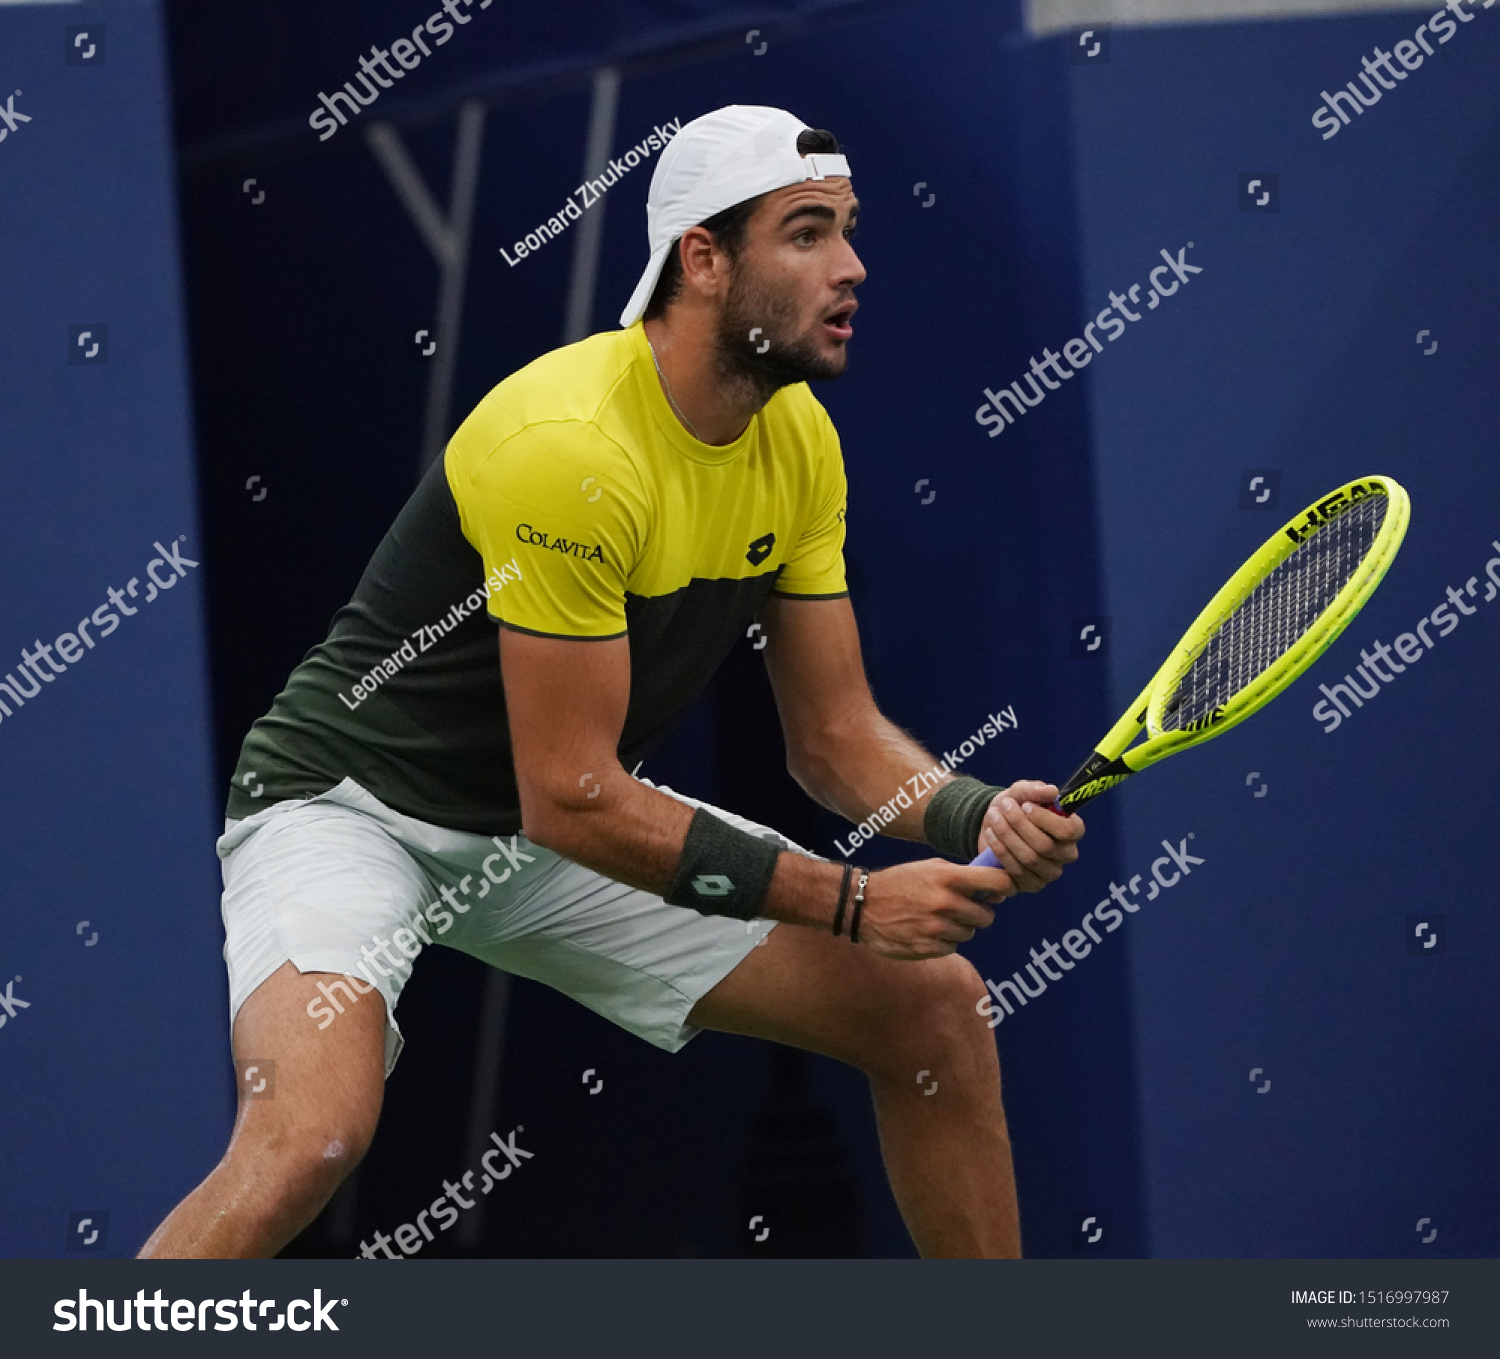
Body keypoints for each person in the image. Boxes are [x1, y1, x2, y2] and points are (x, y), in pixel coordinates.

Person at [138, 104, 1084, 1262]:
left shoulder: (801, 445)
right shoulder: (569, 443)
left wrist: (972, 811)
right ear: (703, 257)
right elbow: (574, 792)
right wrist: (851, 901)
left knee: (932, 1011)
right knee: (311, 1140)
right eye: (806, 232)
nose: (852, 266)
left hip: (552, 833)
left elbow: (833, 740)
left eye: (847, 229)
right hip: (355, 813)